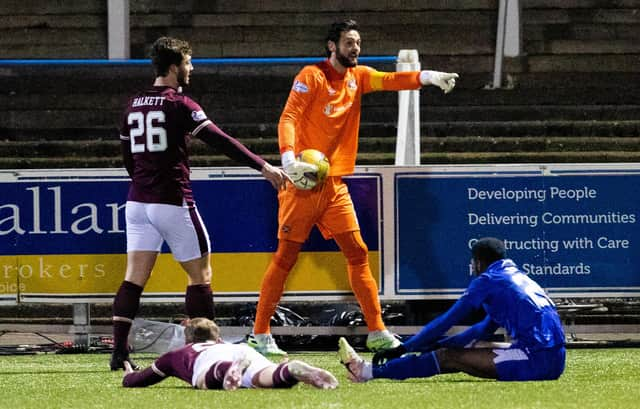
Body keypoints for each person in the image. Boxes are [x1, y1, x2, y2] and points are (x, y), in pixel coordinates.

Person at [249, 19, 459, 357]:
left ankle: (377, 331)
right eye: (349, 42)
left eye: (358, 42)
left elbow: (390, 79)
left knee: (358, 252)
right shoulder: (311, 76)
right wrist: (288, 160)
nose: (356, 48)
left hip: (334, 186)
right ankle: (259, 334)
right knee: (286, 258)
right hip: (302, 184)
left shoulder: (357, 77)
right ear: (332, 45)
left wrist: (427, 77)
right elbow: (288, 118)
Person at [111, 36, 289, 371]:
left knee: (134, 277)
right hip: (172, 200)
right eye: (189, 63)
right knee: (200, 275)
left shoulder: (133, 103)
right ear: (175, 66)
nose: (192, 69)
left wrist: (143, 182)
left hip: (137, 202)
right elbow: (221, 140)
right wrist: (263, 167)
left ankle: (119, 353)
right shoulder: (180, 104)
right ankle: (206, 350)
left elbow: (127, 157)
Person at [338, 237, 566, 383]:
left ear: (478, 262)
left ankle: (367, 372)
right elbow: (481, 331)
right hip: (554, 358)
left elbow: (448, 320)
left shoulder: (488, 280)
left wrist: (405, 347)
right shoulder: (515, 277)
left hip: (535, 360)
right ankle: (374, 370)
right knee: (458, 350)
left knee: (449, 357)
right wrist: (436, 343)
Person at [121, 317, 338, 390]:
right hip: (242, 352)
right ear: (216, 337)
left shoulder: (179, 353)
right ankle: (289, 370)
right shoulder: (227, 344)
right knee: (265, 377)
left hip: (217, 362)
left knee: (204, 377)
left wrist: (128, 376)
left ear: (187, 339)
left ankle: (227, 369)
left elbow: (141, 380)